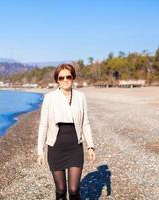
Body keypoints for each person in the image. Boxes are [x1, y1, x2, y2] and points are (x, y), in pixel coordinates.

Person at [36, 63, 95, 200]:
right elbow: (43, 125)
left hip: (75, 147)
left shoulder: (80, 97)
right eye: (61, 77)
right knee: (61, 189)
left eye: (68, 76)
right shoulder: (49, 98)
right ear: (57, 80)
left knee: (74, 190)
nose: (65, 80)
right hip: (55, 148)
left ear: (73, 77)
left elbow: (85, 123)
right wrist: (40, 151)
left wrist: (90, 146)